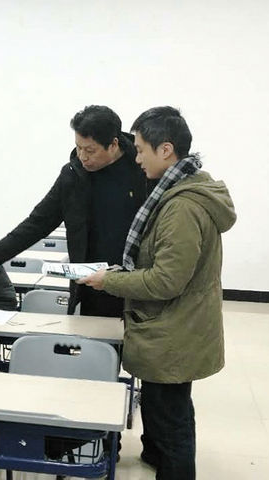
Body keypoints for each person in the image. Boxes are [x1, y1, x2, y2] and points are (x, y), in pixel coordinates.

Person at [78, 106, 236, 479]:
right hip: (174, 327)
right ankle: (158, 457)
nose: (136, 159)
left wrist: (109, 281)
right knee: (167, 411)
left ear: (165, 150)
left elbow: (166, 281)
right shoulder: (179, 191)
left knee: (172, 419)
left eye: (140, 150)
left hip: (174, 331)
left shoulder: (181, 207)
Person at [0, 105, 148, 317]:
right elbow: (39, 221)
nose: (82, 156)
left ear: (113, 144)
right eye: (78, 147)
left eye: (90, 150)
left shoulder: (143, 168)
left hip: (138, 282)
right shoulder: (73, 175)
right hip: (92, 285)